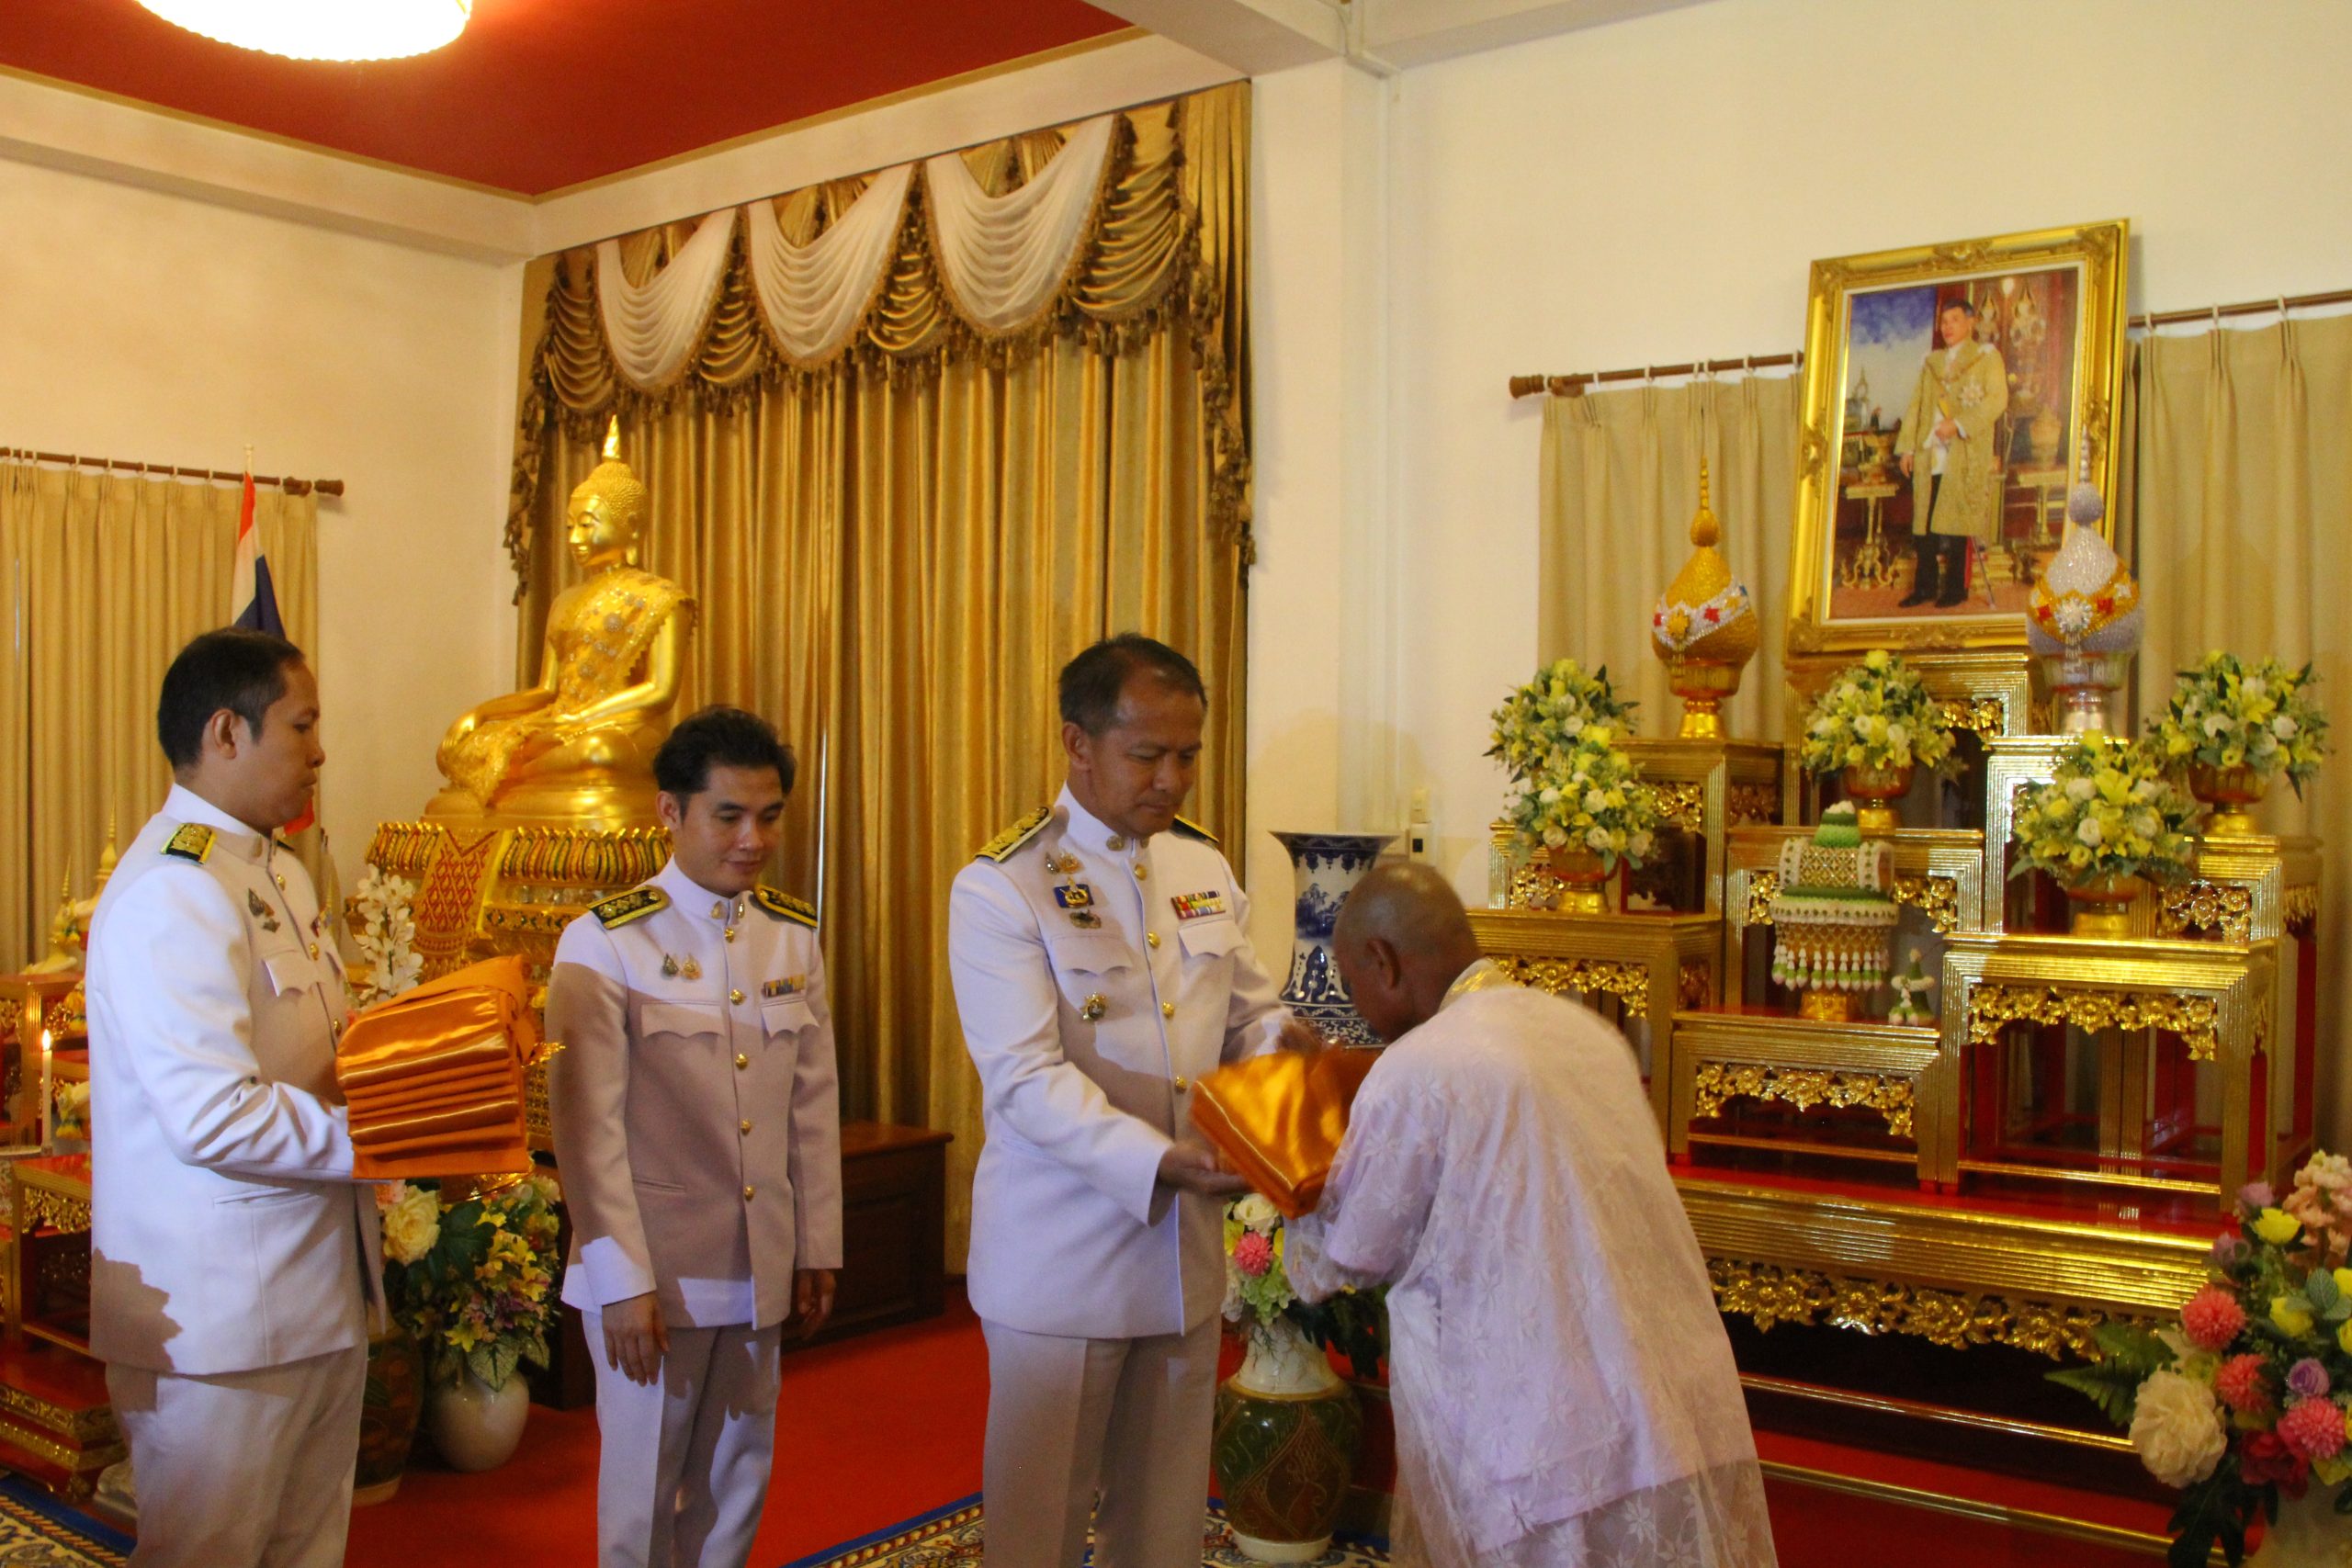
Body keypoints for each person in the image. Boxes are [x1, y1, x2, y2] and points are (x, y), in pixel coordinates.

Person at [948, 634, 1317, 1568]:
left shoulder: (1200, 867)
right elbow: (1025, 1079)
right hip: (1060, 1257)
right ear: (1077, 743)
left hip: (1180, 1262)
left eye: (1187, 754)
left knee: (1161, 1531)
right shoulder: (1001, 887)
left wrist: (1288, 1059)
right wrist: (1159, 1159)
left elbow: (1246, 1016)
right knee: (1037, 1529)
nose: (1172, 778)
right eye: (1146, 754)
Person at [1288, 863, 1776, 1568]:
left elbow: (1348, 1251)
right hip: (1669, 1409)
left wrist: (1286, 1162)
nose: (1357, 1006)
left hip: (1539, 1443)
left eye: (1351, 981)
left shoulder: (1417, 1068)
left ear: (1381, 961)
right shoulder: (1583, 1034)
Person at [87, 627, 383, 1568]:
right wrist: (385, 1132)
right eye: (302, 725)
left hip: (312, 1290)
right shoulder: (173, 888)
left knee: (305, 1552)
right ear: (226, 732)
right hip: (219, 1321)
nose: (319, 751)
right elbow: (213, 1111)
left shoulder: (275, 872)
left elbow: (317, 1050)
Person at [548, 705, 842, 1568]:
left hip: (759, 1261)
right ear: (669, 814)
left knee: (738, 1478)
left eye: (771, 815)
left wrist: (815, 1241)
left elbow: (812, 1104)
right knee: (644, 1489)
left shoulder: (791, 931)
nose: (754, 838)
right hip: (655, 1273)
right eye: (729, 815)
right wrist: (620, 1280)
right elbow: (585, 1130)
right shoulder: (605, 942)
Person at [1895, 297, 2008, 609]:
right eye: (1944, 322)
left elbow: (1997, 400)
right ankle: (1925, 587)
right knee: (1925, 522)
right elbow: (1916, 406)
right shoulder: (1931, 363)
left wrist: (1959, 423)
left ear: (1971, 322)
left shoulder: (1986, 358)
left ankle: (1956, 588)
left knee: (1958, 521)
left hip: (1963, 450)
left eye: (1955, 320)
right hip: (1929, 451)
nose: (1948, 327)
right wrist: (1907, 447)